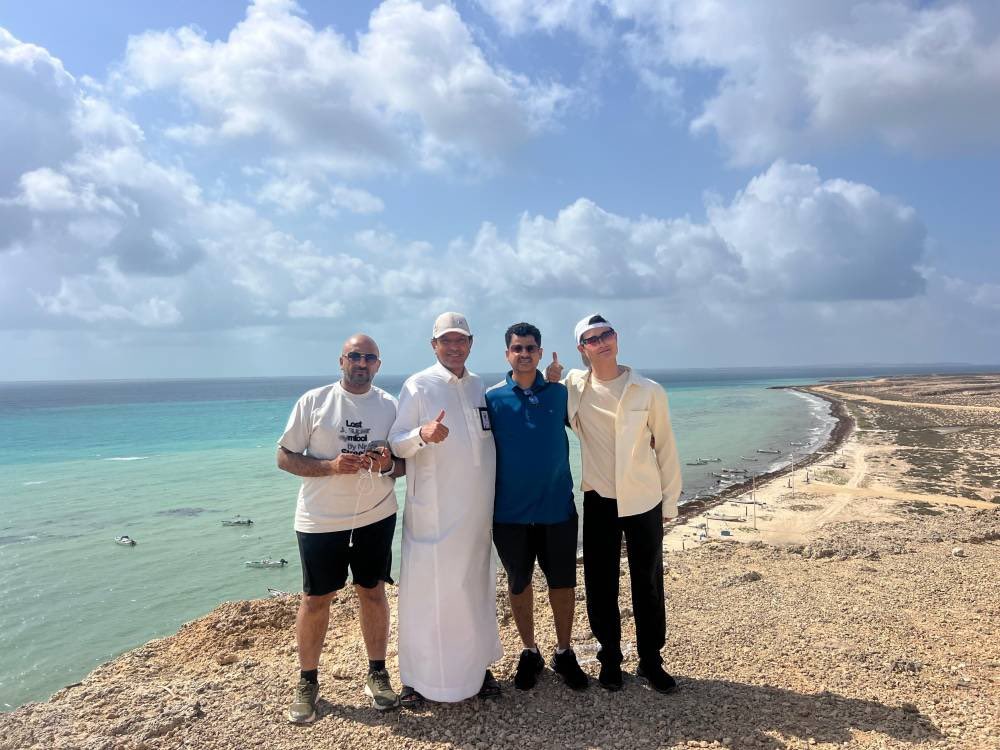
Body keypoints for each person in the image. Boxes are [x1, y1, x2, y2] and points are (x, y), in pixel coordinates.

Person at [546, 314, 682, 694]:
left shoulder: (648, 390)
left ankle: (651, 660)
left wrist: (670, 502)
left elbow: (666, 446)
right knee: (600, 584)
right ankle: (609, 658)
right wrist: (550, 377)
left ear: (616, 338)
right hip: (599, 498)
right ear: (582, 348)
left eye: (606, 334)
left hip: (644, 498)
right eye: (592, 339)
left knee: (648, 583)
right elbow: (550, 400)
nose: (601, 342)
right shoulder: (574, 386)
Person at [277, 334, 404, 722]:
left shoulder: (391, 406)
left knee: (373, 591)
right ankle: (307, 682)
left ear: (378, 365)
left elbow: (404, 464)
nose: (361, 363)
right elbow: (284, 457)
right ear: (341, 360)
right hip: (320, 520)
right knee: (316, 598)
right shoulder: (314, 401)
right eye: (355, 356)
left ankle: (377, 674)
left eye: (369, 358)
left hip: (375, 514)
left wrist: (384, 465)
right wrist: (330, 466)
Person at [389, 312, 503, 704]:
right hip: (435, 514)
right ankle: (418, 678)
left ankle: (476, 669)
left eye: (461, 340)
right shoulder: (418, 385)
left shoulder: (478, 385)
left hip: (476, 514)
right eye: (447, 341)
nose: (455, 347)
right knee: (430, 596)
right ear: (434, 345)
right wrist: (421, 434)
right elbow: (396, 441)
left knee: (474, 589)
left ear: (471, 343)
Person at [486, 322, 589, 691]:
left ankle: (563, 651)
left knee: (562, 583)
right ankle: (530, 651)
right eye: (518, 348)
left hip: (556, 509)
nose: (524, 353)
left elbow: (596, 423)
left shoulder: (560, 394)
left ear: (540, 353)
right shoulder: (492, 398)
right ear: (507, 354)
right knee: (519, 584)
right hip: (508, 514)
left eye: (531, 348)